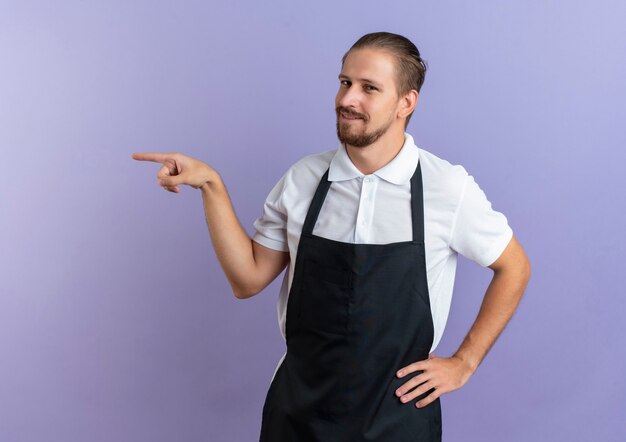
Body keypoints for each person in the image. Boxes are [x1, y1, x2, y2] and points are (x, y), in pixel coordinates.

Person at [132, 31, 531, 442]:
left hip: (398, 421)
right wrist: (212, 185)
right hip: (298, 415)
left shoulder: (446, 188)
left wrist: (465, 362)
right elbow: (246, 279)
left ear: (406, 103)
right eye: (345, 83)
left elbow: (514, 267)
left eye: (369, 88)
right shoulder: (303, 180)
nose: (347, 100)